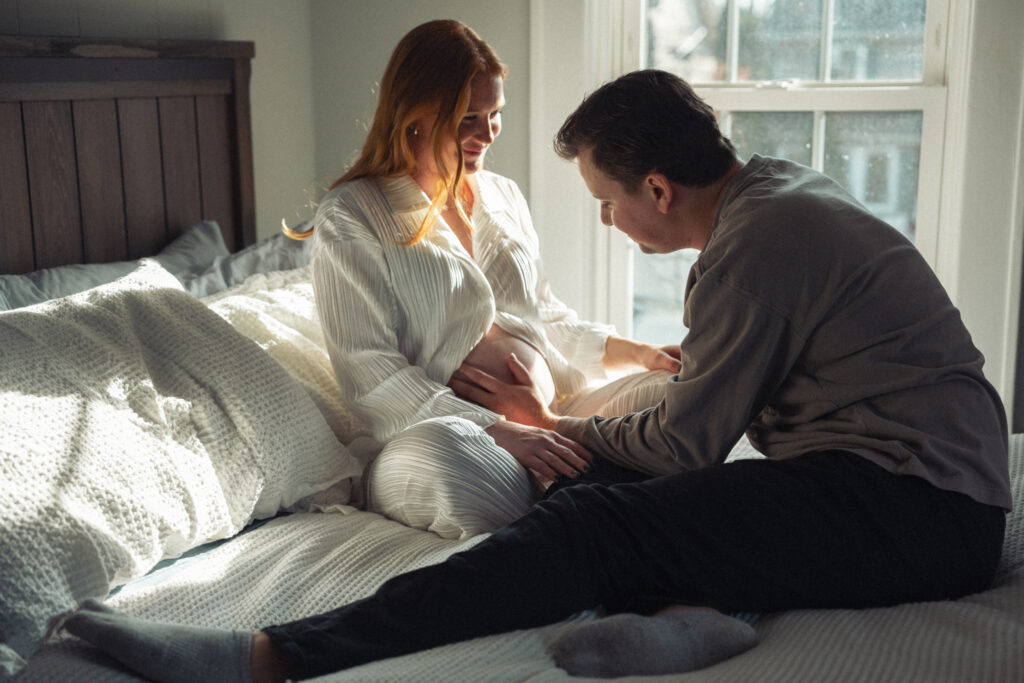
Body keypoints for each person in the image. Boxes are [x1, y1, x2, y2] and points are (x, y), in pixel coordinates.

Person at [63, 69, 1010, 682]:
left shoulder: (752, 248)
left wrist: (552, 419)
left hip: (915, 507)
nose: (605, 222)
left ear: (657, 190)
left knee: (599, 514)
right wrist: (580, 433)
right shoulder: (779, 195)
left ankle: (274, 654)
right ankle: (702, 615)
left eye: (605, 200)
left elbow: (685, 443)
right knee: (601, 493)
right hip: (914, 488)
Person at [296, 20, 679, 539]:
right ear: (414, 115)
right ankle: (583, 524)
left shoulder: (503, 194)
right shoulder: (353, 214)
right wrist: (496, 429)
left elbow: (544, 315)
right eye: (468, 117)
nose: (488, 133)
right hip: (439, 435)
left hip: (551, 412)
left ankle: (578, 513)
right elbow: (371, 374)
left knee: (673, 396)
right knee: (456, 463)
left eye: (495, 114)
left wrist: (634, 352)